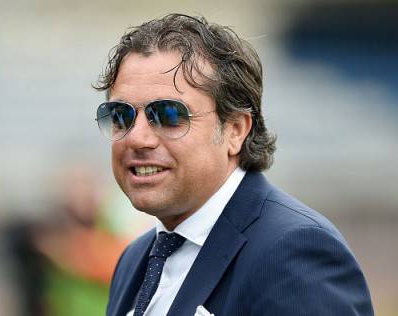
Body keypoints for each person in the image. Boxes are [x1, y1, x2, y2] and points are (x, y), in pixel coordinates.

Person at [94, 13, 374, 316]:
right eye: (121, 115)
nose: (138, 139)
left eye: (168, 115)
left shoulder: (294, 253)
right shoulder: (136, 259)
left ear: (236, 130)